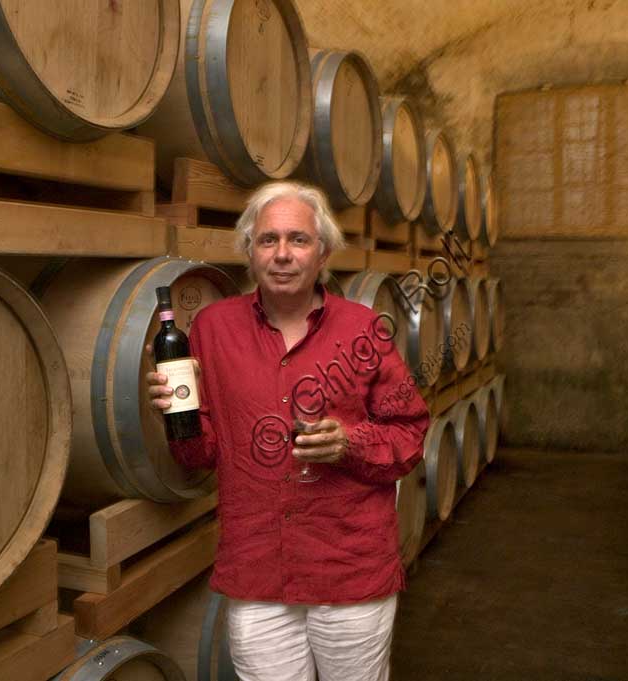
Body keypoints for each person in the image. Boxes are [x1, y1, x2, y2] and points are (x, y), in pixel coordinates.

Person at [145, 181, 430, 681]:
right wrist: (175, 414)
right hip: (257, 567)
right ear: (249, 253)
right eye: (267, 240)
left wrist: (349, 443)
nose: (282, 254)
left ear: (322, 253)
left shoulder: (363, 329)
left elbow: (409, 435)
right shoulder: (212, 328)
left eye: (298, 240)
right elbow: (202, 454)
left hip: (349, 566)